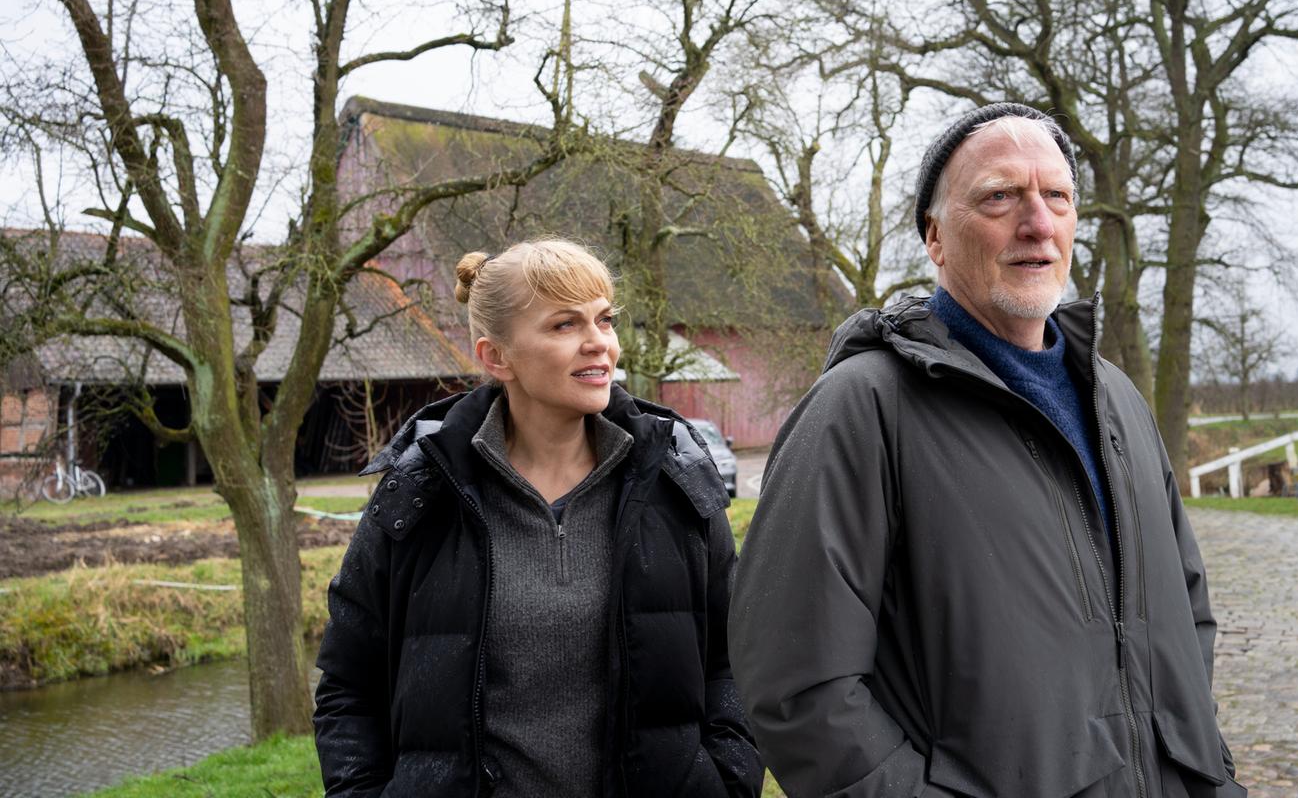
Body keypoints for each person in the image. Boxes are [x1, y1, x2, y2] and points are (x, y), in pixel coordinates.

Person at [729, 103, 1245, 797]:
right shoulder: (862, 409)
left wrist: (1205, 767)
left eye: (1056, 196)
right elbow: (796, 683)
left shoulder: (1118, 399)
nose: (1038, 223)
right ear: (935, 237)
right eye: (1000, 196)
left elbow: (1186, 610)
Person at [313, 239, 761, 797]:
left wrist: (726, 783)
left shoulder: (675, 480)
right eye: (564, 325)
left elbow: (737, 659)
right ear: (496, 357)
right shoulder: (420, 493)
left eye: (605, 319)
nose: (599, 342)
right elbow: (349, 686)